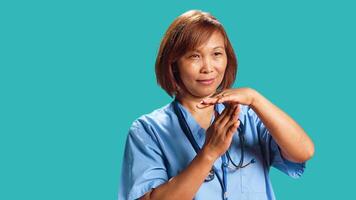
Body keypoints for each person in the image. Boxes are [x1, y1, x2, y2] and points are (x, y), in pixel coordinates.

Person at [118, 10, 314, 200]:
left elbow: (303, 151)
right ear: (174, 63)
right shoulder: (148, 130)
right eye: (194, 56)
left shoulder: (248, 115)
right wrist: (209, 153)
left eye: (217, 54)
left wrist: (255, 99)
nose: (208, 68)